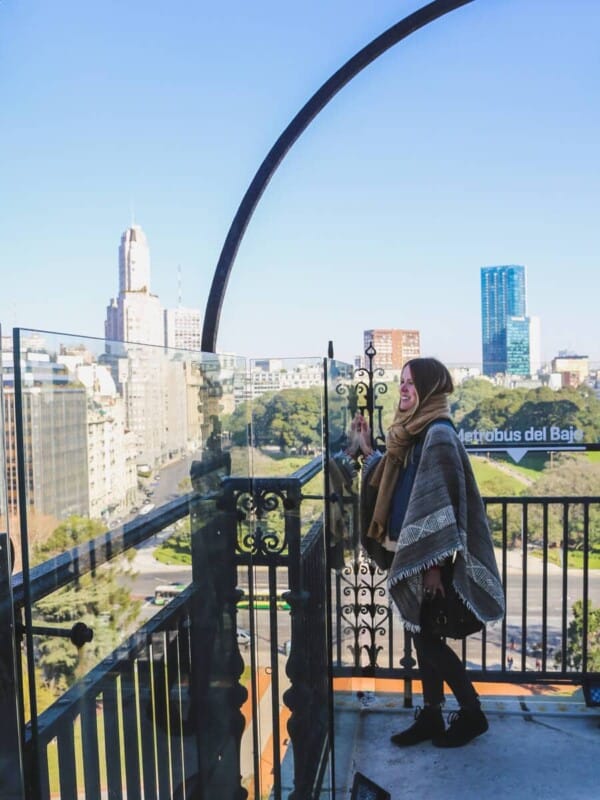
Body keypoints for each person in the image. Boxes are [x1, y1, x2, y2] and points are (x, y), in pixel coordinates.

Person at [346, 357, 505, 748]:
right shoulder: (412, 432)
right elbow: (396, 476)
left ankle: (471, 715)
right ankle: (433, 715)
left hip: (430, 556)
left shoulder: (438, 434)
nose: (403, 389)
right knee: (421, 635)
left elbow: (441, 505)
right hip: (410, 549)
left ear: (431, 388)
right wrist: (368, 450)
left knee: (429, 641)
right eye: (401, 381)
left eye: (412, 383)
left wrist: (434, 566)